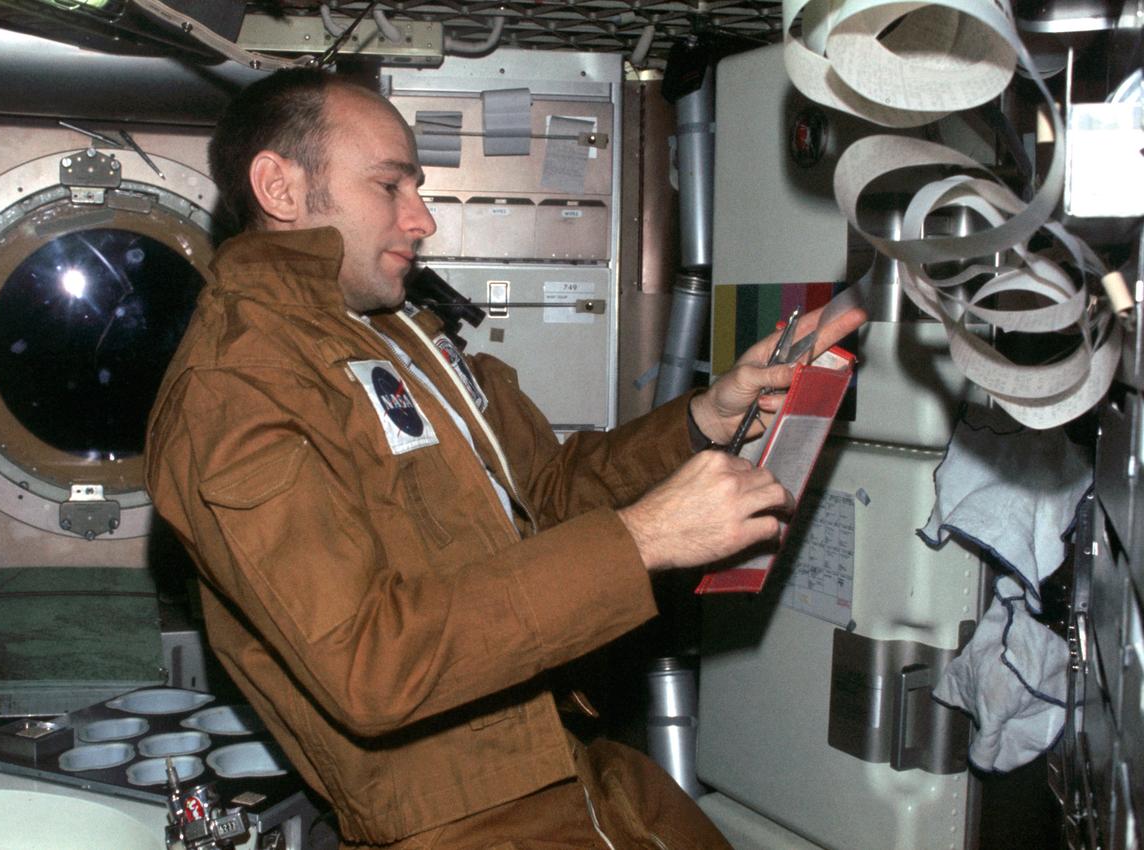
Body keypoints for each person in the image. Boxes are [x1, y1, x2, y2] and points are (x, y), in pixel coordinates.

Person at [145, 67, 865, 850]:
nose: (422, 220)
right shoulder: (235, 390)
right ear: (280, 189)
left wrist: (703, 419)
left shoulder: (402, 337)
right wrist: (644, 540)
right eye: (391, 186)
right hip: (458, 820)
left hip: (573, 765)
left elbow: (547, 492)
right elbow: (370, 662)